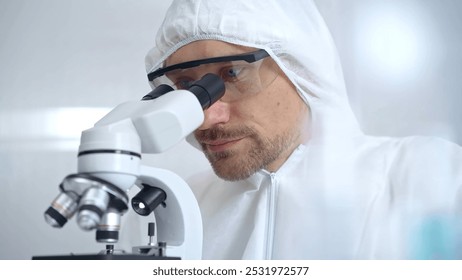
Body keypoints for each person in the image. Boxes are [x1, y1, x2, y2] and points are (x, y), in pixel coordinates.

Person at [144, 0, 462, 259]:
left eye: (232, 73)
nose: (208, 116)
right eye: (186, 84)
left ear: (301, 68)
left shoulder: (432, 175)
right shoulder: (181, 205)